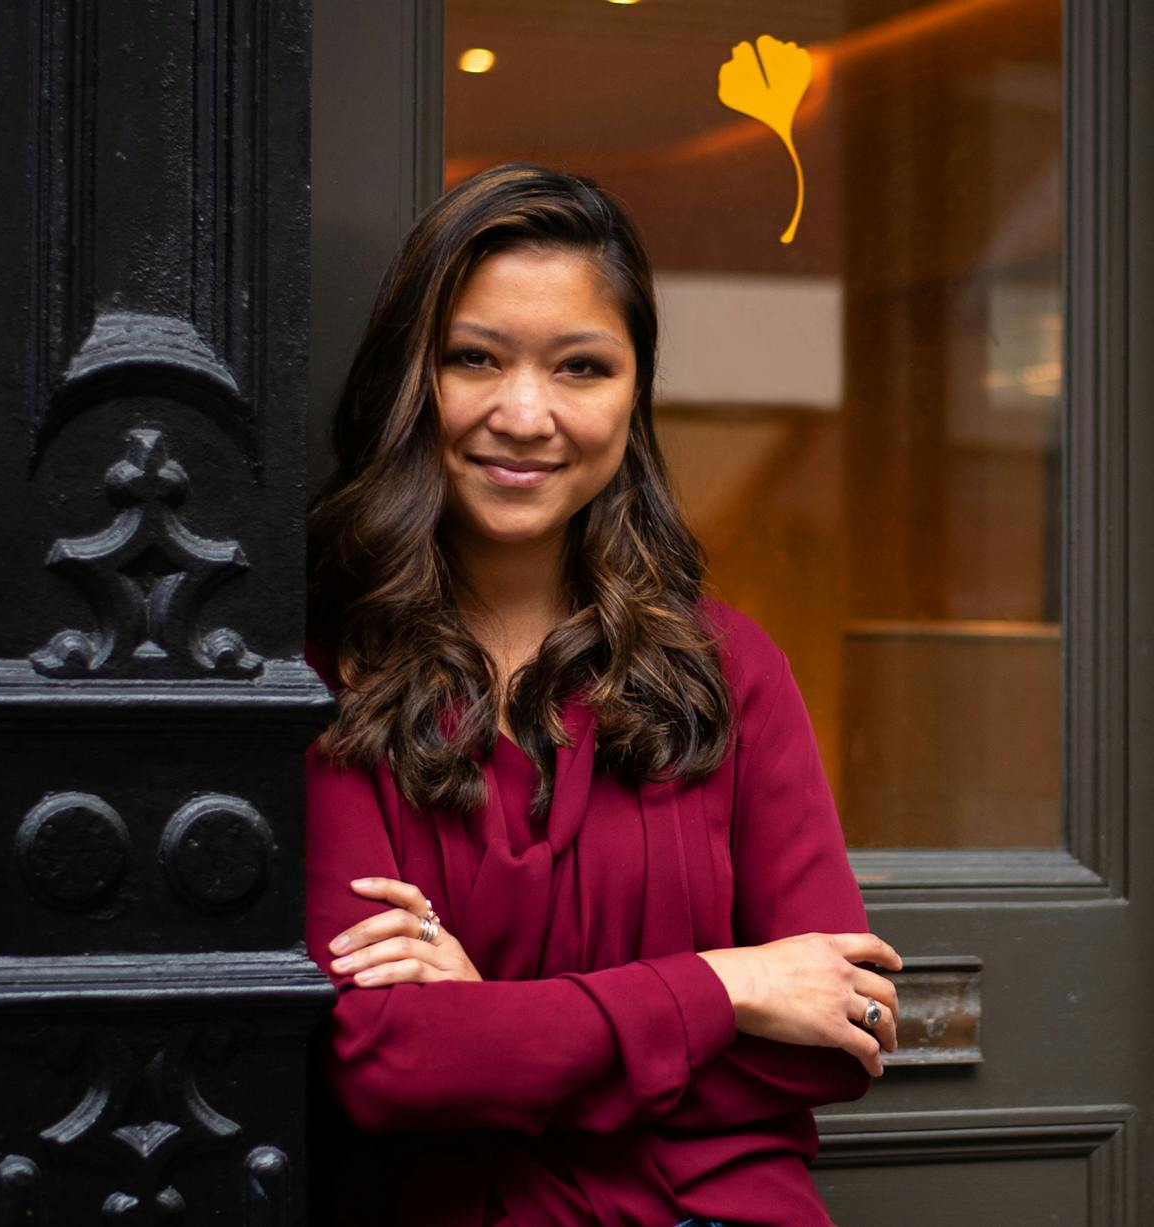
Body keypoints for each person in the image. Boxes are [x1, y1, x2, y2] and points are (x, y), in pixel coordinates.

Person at [304, 161, 902, 1226]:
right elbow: (385, 1066)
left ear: (635, 392)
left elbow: (840, 1029)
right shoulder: (321, 676)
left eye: (581, 367)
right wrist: (730, 989)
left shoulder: (729, 667)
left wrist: (497, 1028)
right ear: (410, 378)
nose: (525, 414)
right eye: (474, 359)